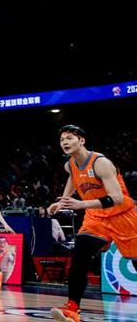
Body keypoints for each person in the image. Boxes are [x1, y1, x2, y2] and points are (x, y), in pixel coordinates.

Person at [49, 125, 137, 322]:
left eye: (70, 138)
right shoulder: (70, 165)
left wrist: (81, 204)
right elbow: (72, 179)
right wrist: (62, 202)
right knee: (79, 254)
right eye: (62, 139)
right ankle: (72, 308)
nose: (65, 142)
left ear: (82, 140)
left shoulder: (101, 163)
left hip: (122, 215)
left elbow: (117, 198)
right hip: (96, 217)